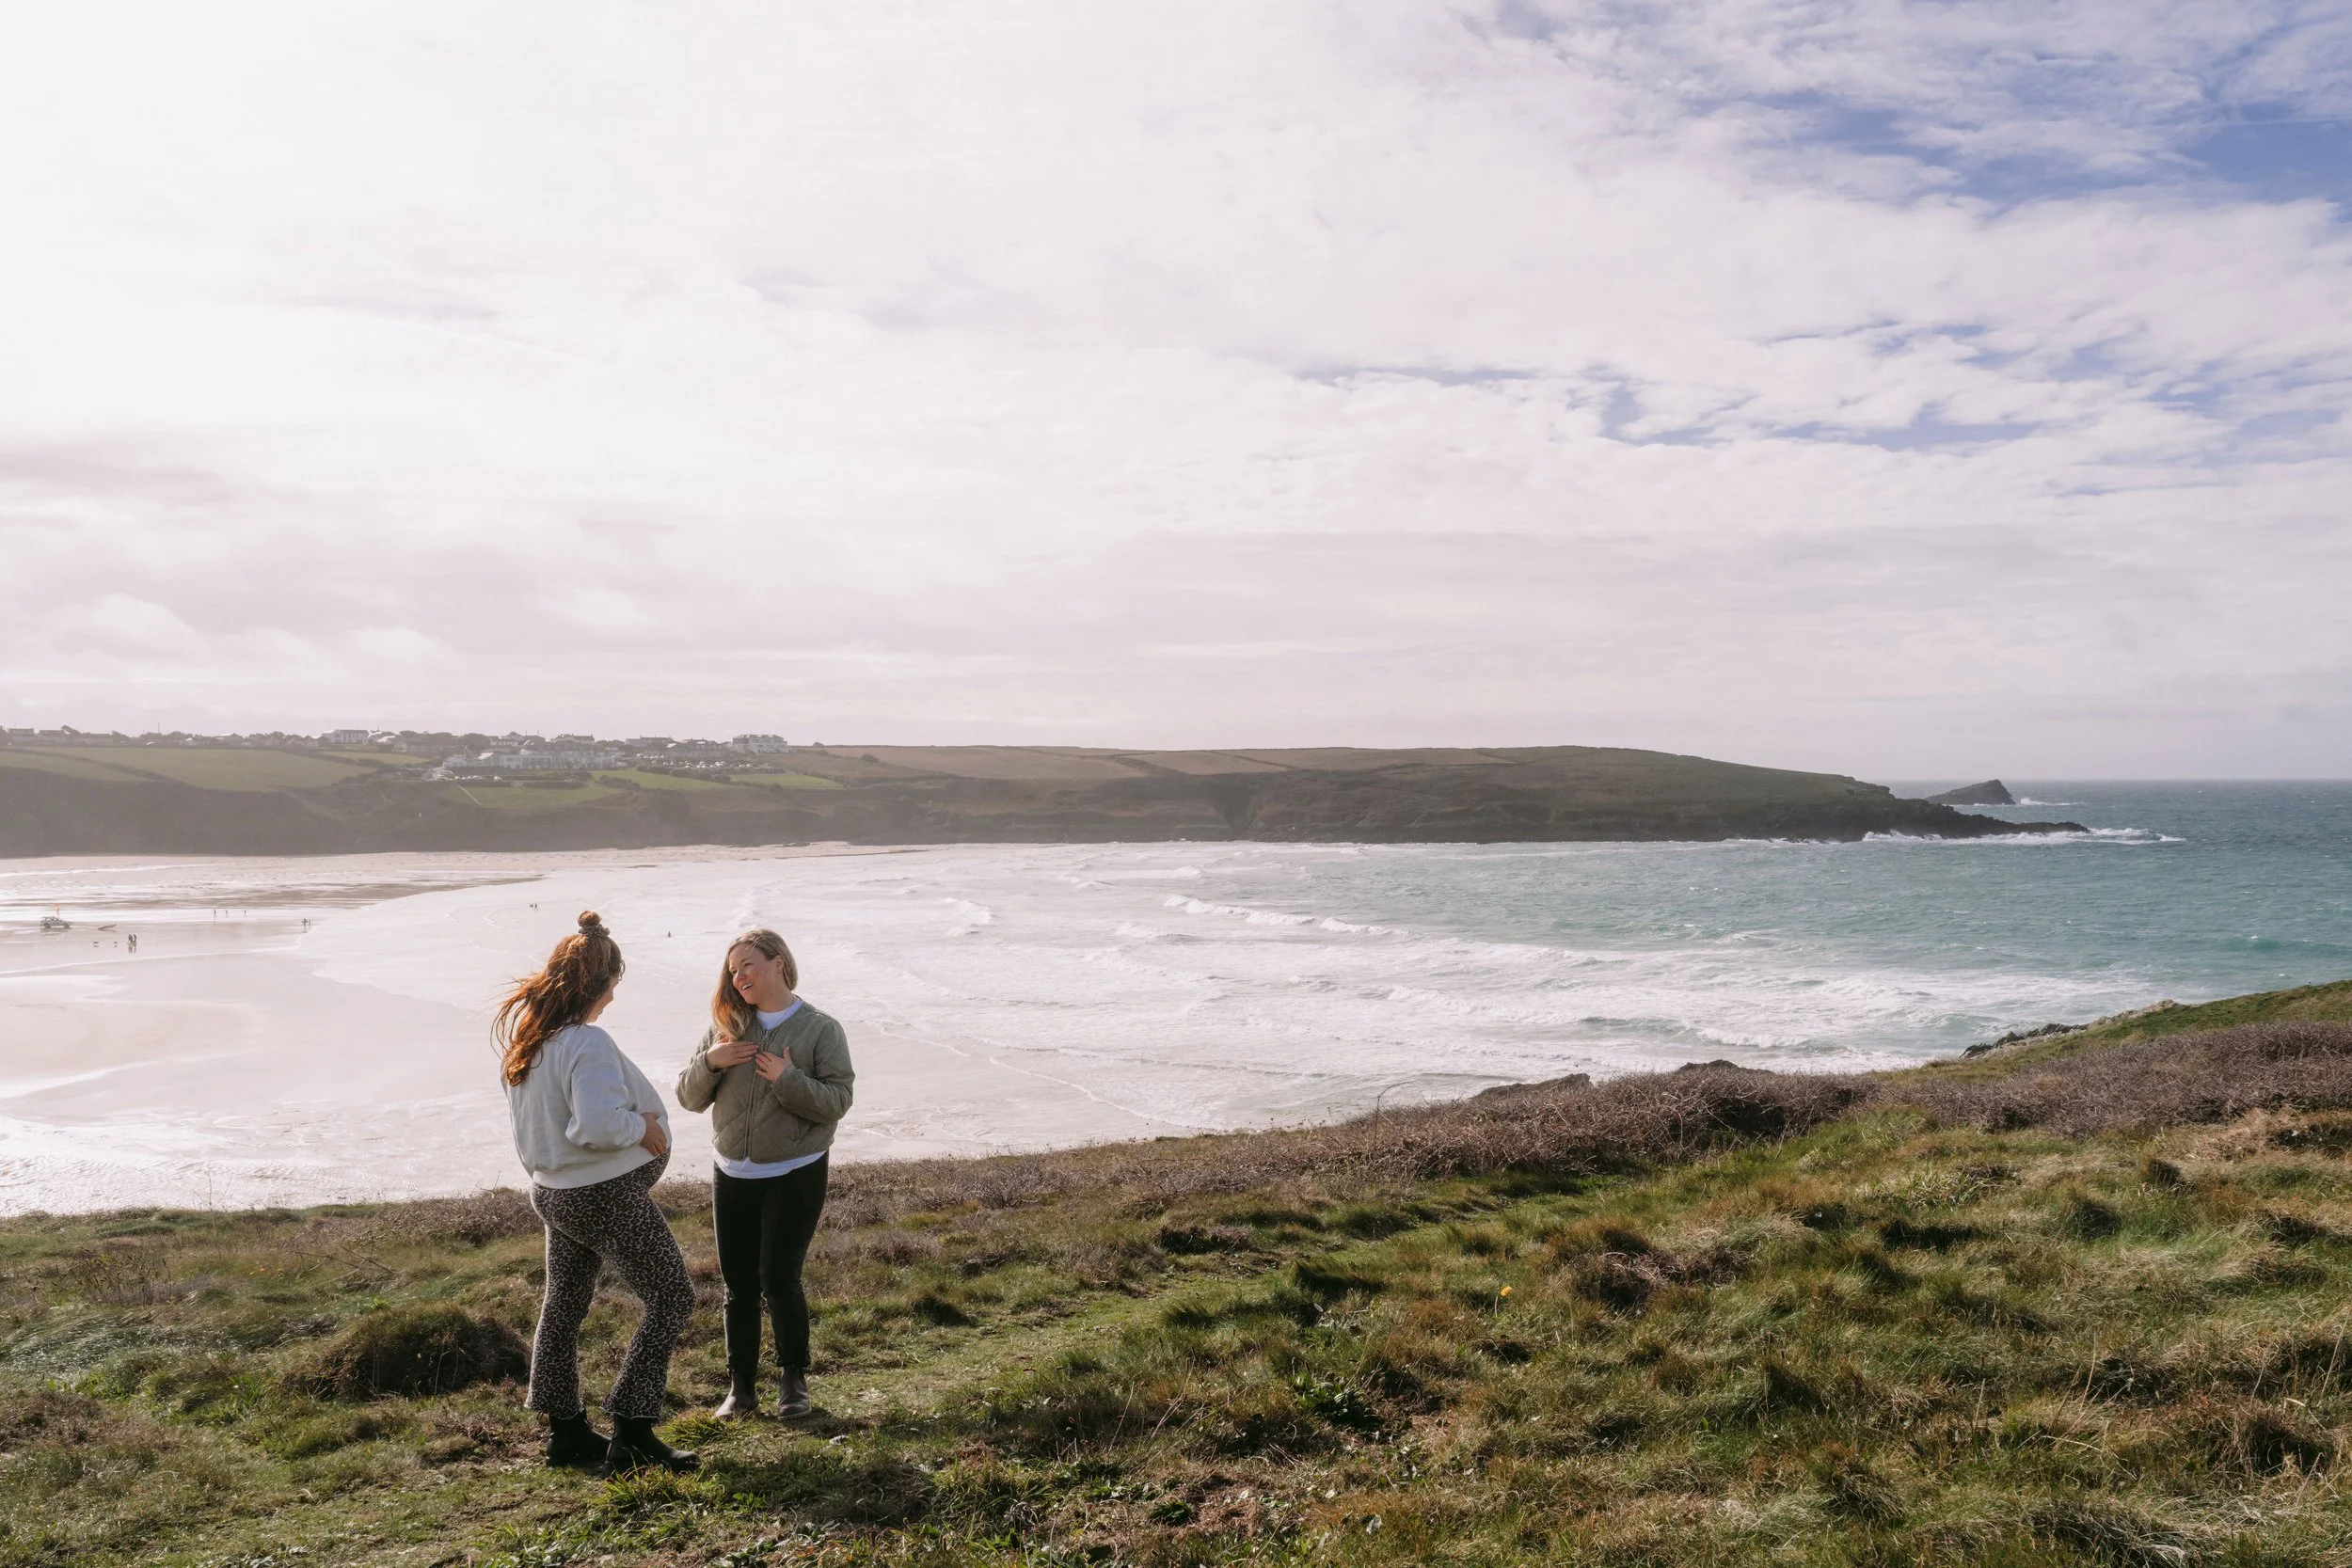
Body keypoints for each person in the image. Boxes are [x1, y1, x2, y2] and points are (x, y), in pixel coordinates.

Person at [497, 911, 698, 1473]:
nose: (613, 998)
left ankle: (566, 1435)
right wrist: (644, 1129)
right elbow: (595, 1126)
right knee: (672, 1298)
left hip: (554, 1192)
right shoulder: (587, 1041)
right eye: (614, 985)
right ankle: (632, 1432)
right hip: (599, 1194)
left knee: (562, 1306)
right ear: (601, 983)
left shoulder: (531, 1043)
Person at [675, 927, 854, 1419]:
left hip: (795, 1170)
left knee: (779, 1277)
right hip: (732, 1171)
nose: (740, 977)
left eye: (749, 965)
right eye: (734, 970)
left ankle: (794, 1382)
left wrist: (787, 1079)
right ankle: (741, 1389)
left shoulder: (821, 1029)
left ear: (779, 963)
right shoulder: (725, 1026)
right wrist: (711, 1062)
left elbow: (837, 1102)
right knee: (737, 1282)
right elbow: (688, 1098)